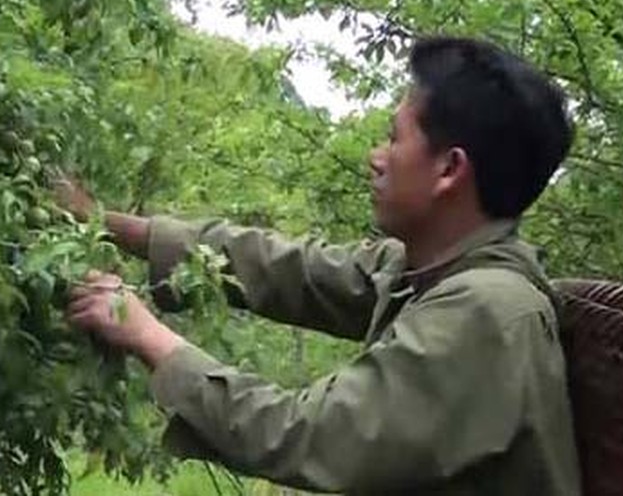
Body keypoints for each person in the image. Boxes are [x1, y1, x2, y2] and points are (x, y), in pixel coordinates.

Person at [58, 35, 582, 495]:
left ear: (449, 169)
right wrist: (107, 223)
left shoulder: (487, 313)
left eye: (395, 138)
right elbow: (287, 268)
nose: (376, 157)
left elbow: (306, 434)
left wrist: (147, 335)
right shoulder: (431, 270)